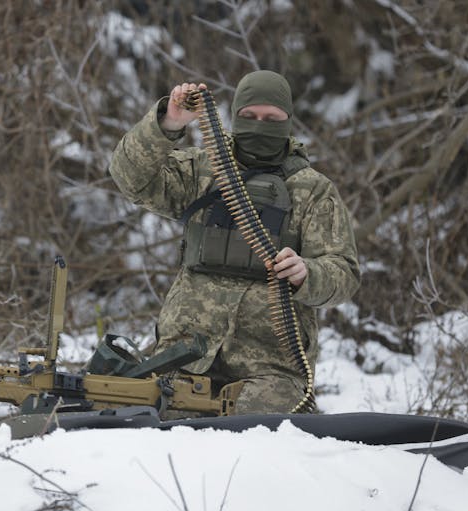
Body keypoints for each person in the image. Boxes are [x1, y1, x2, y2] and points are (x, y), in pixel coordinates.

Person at [109, 70, 360, 414]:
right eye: (249, 116)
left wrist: (307, 273)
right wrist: (168, 123)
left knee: (259, 440)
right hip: (184, 352)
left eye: (272, 119)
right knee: (147, 423)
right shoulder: (202, 171)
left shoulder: (312, 191)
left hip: (269, 368)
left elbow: (344, 273)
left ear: (288, 121)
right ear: (235, 115)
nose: (259, 125)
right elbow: (130, 177)